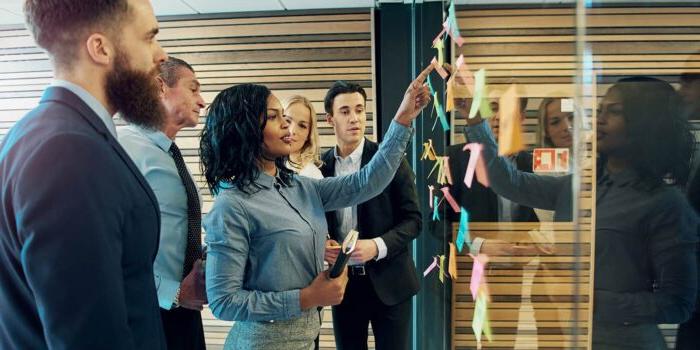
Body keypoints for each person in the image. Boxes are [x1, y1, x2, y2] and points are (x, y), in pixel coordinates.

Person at [201, 66, 432, 350]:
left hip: (306, 340)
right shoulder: (233, 204)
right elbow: (224, 302)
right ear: (245, 129)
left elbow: (367, 182)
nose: (287, 125)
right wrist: (306, 298)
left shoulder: (300, 187)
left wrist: (403, 118)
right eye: (274, 117)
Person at [459, 77, 698, 349]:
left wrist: (589, 299)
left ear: (644, 123)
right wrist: (475, 120)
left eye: (615, 111)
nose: (601, 119)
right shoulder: (580, 186)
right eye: (601, 109)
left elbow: (677, 304)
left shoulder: (666, 203)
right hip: (570, 334)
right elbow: (507, 181)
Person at [0, 0, 168, 349]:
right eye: (149, 37)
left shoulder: (36, 132)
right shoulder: (69, 152)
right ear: (101, 48)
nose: (161, 54)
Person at [320, 81, 422, 350]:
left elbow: (414, 221)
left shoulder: (387, 159)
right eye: (344, 111)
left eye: (359, 110)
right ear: (330, 119)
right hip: (342, 285)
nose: (354, 118)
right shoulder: (319, 167)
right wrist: (324, 242)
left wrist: (376, 246)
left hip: (391, 283)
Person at [118, 56, 207, 350]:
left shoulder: (172, 156)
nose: (202, 101)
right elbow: (109, 245)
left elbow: (177, 231)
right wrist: (174, 292)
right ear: (160, 87)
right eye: (193, 89)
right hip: (148, 314)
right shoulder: (123, 149)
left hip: (186, 313)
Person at [446, 98, 537, 223]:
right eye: (493, 108)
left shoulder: (528, 162)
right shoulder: (453, 158)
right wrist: (479, 243)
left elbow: (529, 218)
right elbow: (438, 223)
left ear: (521, 118)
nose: (499, 116)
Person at [285, 95, 324, 179]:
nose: (292, 131)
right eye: (287, 121)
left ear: (309, 134)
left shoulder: (312, 175)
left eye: (302, 126)